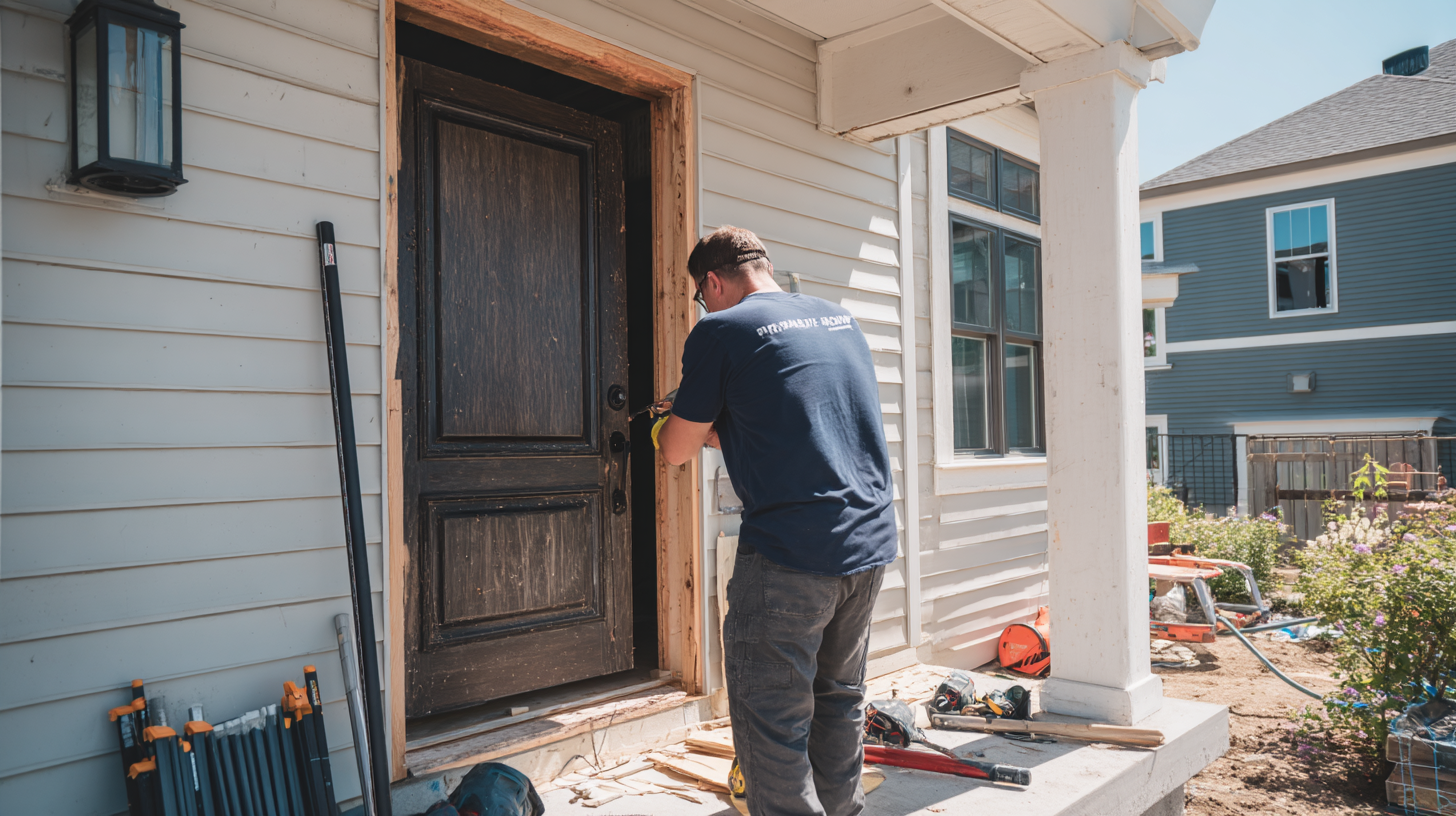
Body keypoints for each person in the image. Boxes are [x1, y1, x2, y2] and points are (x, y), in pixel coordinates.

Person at [654, 226, 897, 816]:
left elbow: (677, 451)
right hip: (867, 543)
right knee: (837, 700)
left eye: (700, 295)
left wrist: (669, 420)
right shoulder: (836, 318)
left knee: (773, 721)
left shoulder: (720, 329)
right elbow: (802, 415)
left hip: (791, 555)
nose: (703, 306)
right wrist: (727, 425)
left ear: (712, 281)